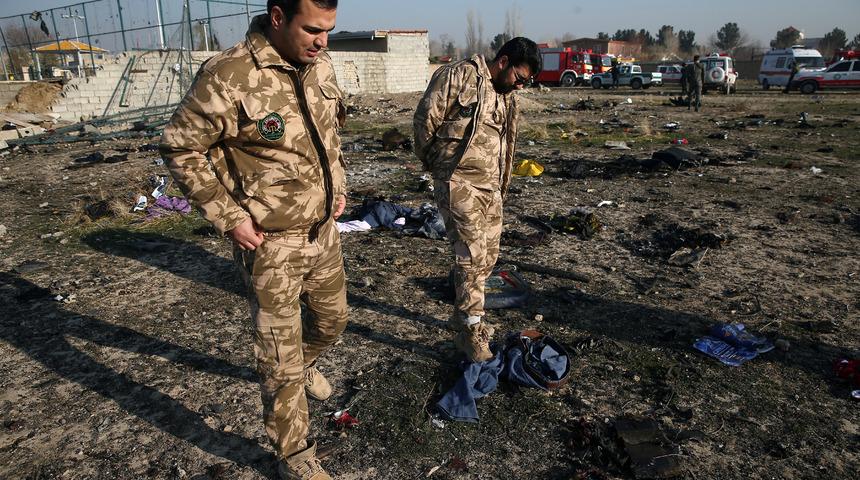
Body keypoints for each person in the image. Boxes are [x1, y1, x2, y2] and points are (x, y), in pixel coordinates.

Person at [159, 1, 347, 478]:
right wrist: (228, 216)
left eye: (328, 30)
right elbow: (181, 146)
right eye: (312, 29)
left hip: (323, 232)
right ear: (279, 16)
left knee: (332, 321)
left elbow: (330, 134)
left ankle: (301, 367)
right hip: (270, 244)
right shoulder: (229, 75)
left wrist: (338, 188)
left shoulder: (318, 63)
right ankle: (294, 454)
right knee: (278, 356)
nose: (322, 41)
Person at [413, 38, 541, 363]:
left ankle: (462, 319)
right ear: (504, 62)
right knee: (470, 256)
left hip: (491, 188)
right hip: (458, 182)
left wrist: (501, 185)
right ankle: (472, 332)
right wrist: (437, 166)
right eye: (519, 78)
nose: (520, 86)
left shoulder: (506, 96)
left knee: (488, 258)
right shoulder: (460, 75)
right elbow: (425, 119)